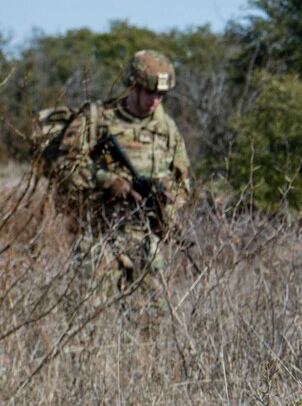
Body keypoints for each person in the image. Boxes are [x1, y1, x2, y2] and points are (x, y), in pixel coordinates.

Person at [41, 49, 191, 294]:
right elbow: (61, 167)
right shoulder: (97, 119)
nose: (155, 100)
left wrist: (170, 206)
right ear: (133, 85)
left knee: (151, 321)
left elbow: (183, 181)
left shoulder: (167, 129)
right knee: (88, 316)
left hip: (143, 239)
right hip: (96, 236)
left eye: (161, 94)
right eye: (150, 92)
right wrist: (106, 180)